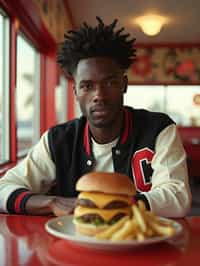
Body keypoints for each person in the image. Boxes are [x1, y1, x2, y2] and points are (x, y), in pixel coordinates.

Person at [0, 17, 191, 217]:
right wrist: (51, 202)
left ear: (124, 85)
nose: (99, 95)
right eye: (87, 86)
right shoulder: (58, 140)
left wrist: (108, 204)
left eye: (109, 83)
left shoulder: (158, 129)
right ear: (75, 92)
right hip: (75, 243)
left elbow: (178, 197)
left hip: (146, 243)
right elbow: (3, 188)